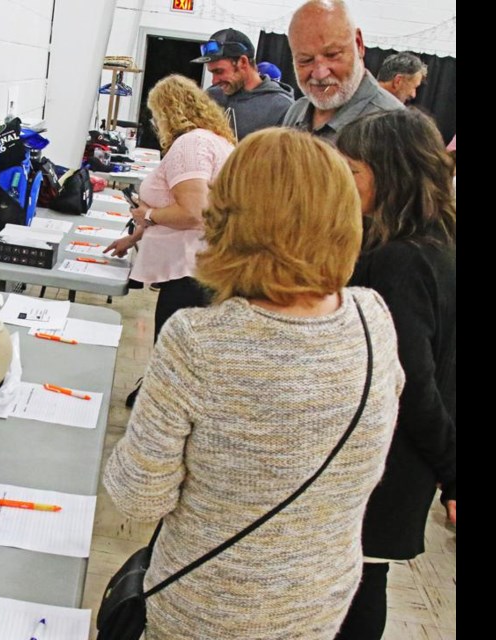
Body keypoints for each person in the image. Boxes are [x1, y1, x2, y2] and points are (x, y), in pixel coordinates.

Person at [103, 127, 404, 640]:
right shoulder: (372, 318)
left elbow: (139, 498)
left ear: (230, 217)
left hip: (210, 605)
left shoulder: (198, 341)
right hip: (321, 597)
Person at [335, 108, 456, 639]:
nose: (346, 182)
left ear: (391, 174)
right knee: (365, 576)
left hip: (391, 456)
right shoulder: (437, 241)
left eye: (354, 171)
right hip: (409, 454)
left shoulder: (399, 262)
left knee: (356, 584)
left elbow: (411, 381)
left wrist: (451, 466)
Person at [102, 74, 234, 407]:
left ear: (168, 111)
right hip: (204, 267)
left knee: (174, 358)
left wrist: (146, 216)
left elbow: (192, 212)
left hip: (188, 272)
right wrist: (134, 237)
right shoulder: (215, 141)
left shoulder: (190, 144)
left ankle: (160, 416)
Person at [282, 0, 402, 142]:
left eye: (332, 55)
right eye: (305, 60)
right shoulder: (296, 112)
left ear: (359, 45)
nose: (320, 74)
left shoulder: (395, 128)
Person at [192, 28, 294, 139]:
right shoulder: (212, 96)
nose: (214, 81)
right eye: (212, 73)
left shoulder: (281, 108)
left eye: (219, 71)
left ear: (243, 62)